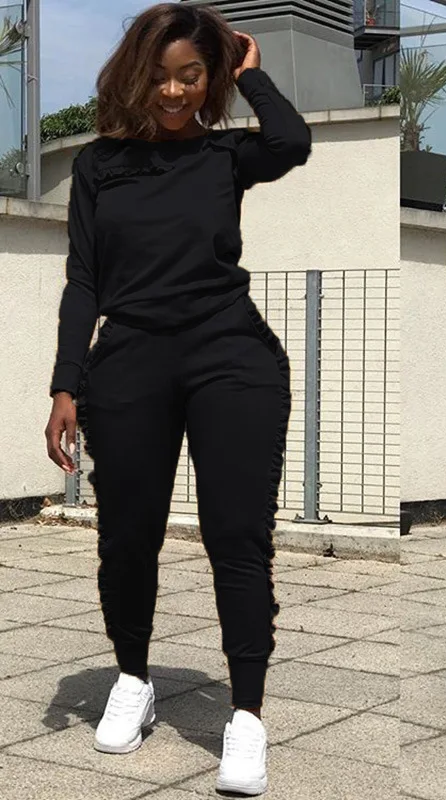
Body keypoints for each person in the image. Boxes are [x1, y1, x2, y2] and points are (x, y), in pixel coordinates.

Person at [43, 3, 310, 795]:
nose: (173, 91)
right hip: (128, 361)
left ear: (210, 78)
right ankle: (133, 677)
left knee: (238, 537)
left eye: (191, 76)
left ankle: (247, 716)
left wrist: (252, 72)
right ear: (135, 76)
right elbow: (83, 281)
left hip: (232, 356)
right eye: (160, 76)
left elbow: (292, 142)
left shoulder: (226, 156)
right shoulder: (99, 165)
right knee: (127, 536)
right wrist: (65, 382)